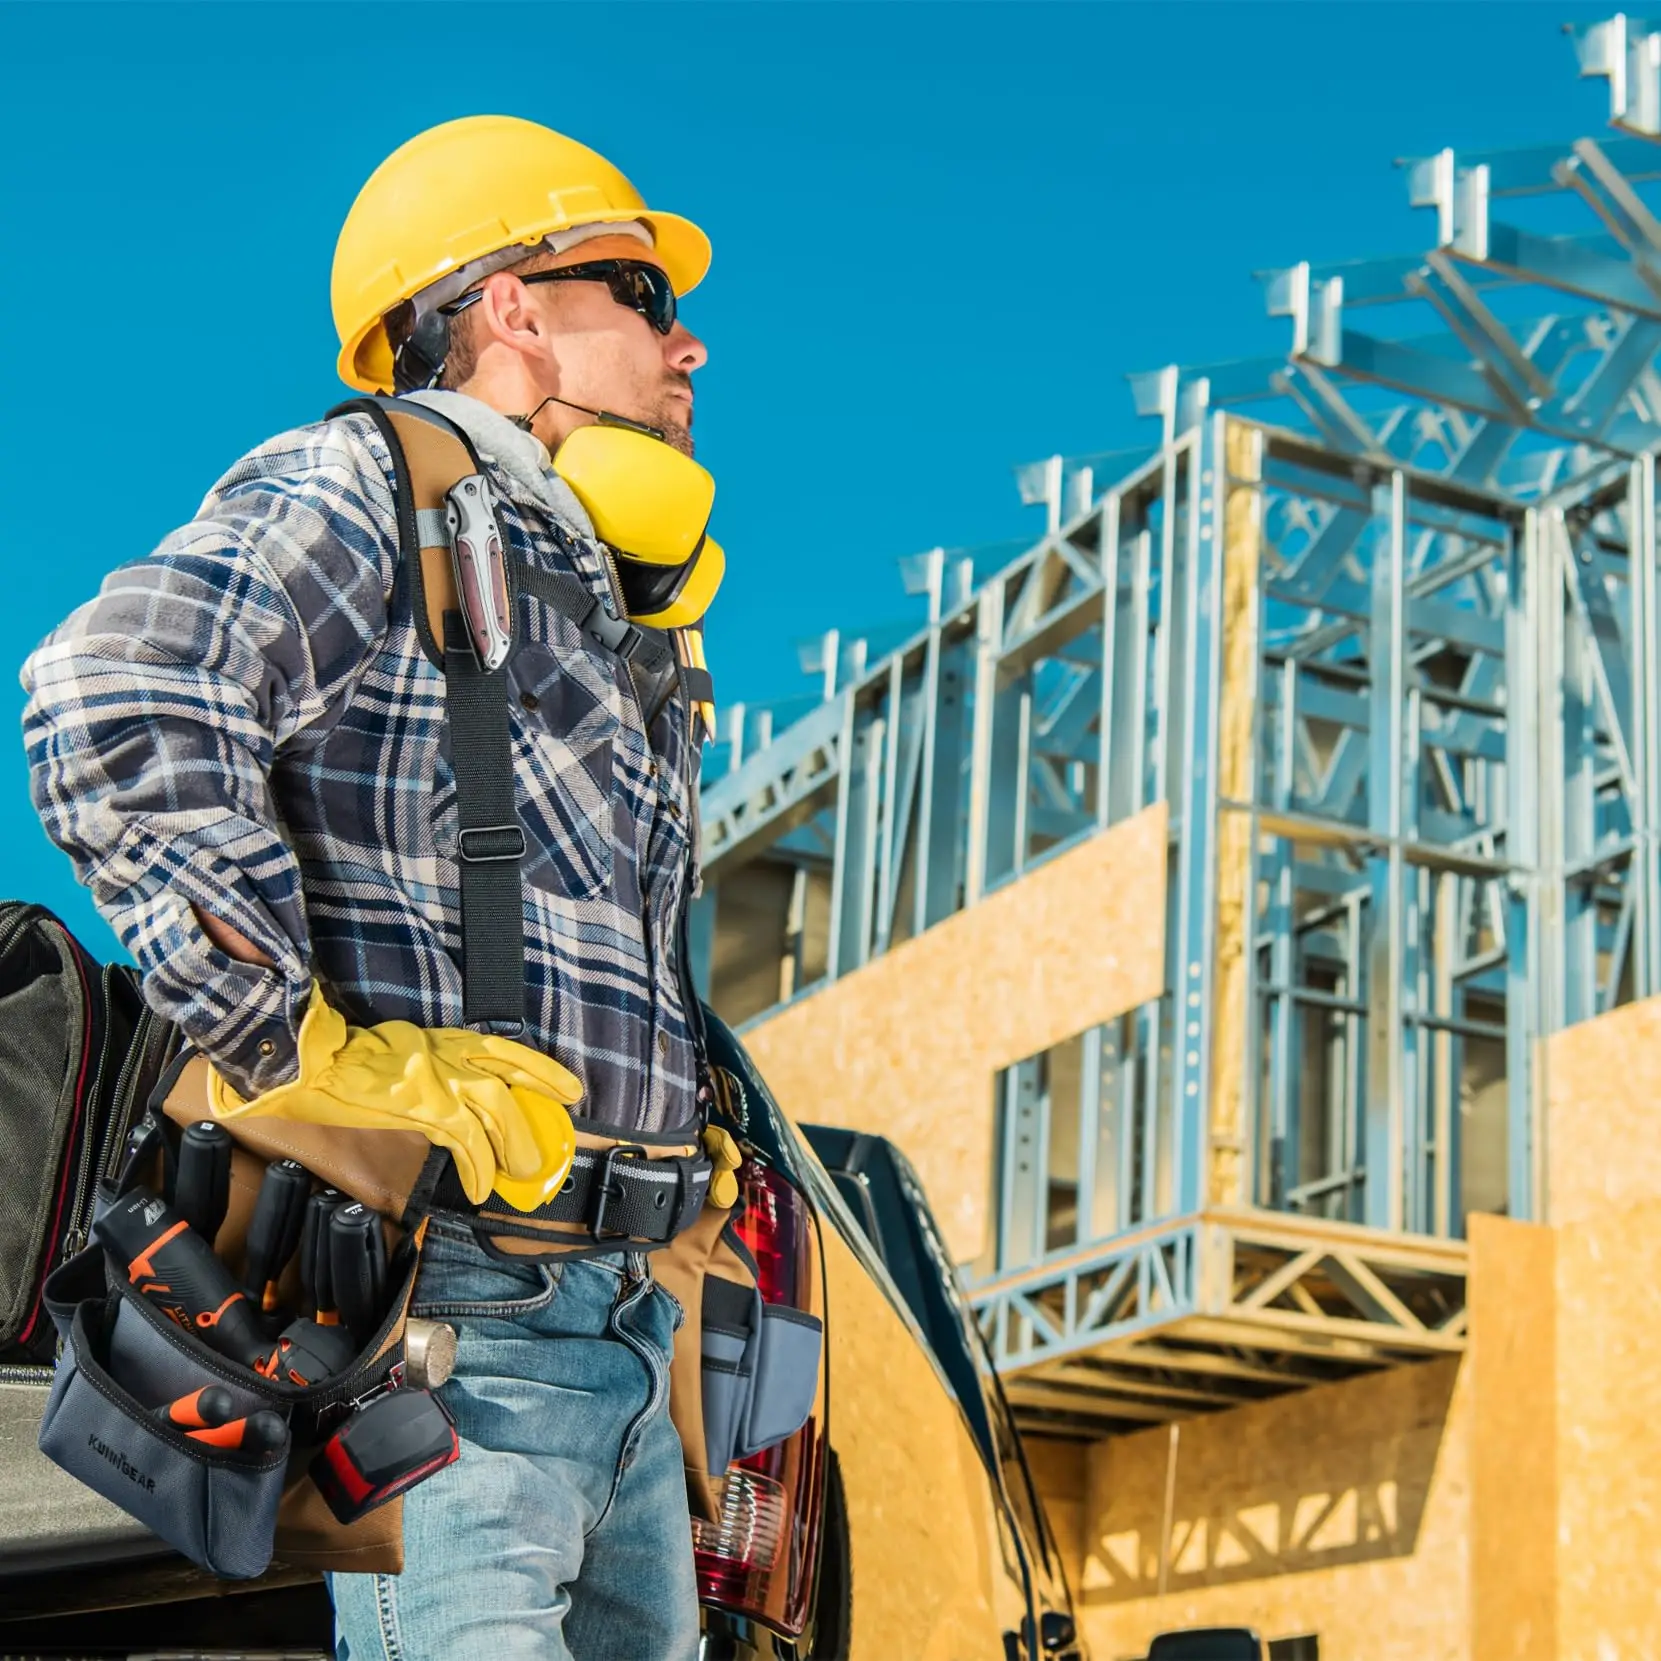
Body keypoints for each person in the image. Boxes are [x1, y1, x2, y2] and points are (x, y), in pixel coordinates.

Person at [21, 116, 717, 1660]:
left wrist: (680, 1148)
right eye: (646, 298)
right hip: (448, 1321)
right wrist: (299, 1048)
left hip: (615, 1330)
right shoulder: (372, 486)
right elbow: (110, 691)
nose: (692, 347)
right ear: (513, 306)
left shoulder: (604, 602)